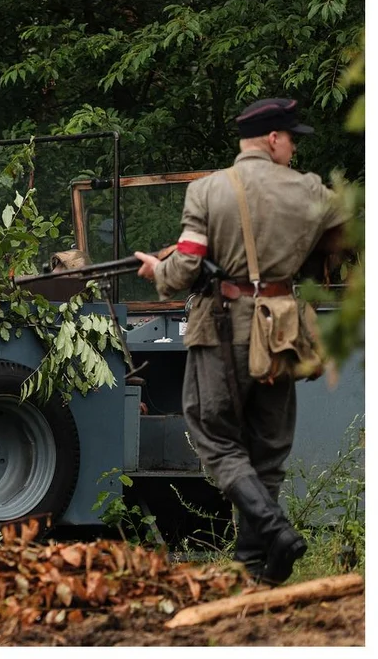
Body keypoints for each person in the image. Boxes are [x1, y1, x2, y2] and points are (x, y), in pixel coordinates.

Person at [133, 97, 346, 585]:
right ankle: (256, 569)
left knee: (214, 434)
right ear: (273, 138)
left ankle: (271, 533)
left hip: (222, 329)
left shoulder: (208, 191)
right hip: (281, 332)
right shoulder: (311, 191)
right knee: (268, 450)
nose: (293, 147)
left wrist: (156, 270)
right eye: (292, 138)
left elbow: (186, 266)